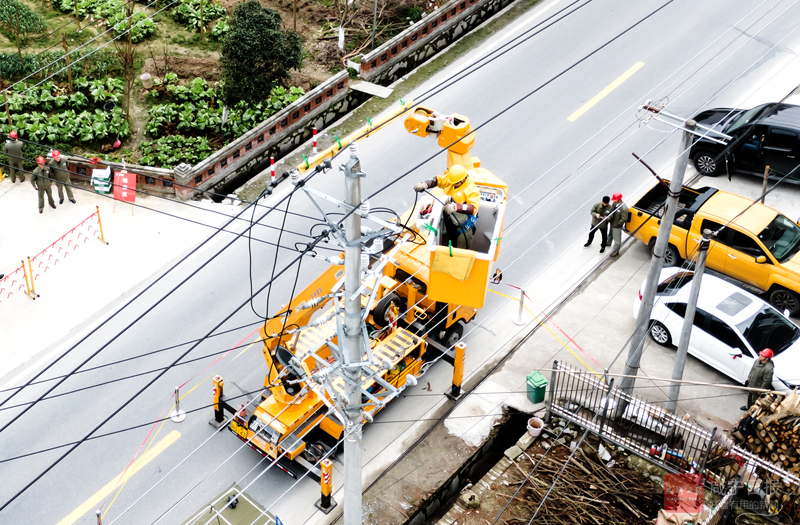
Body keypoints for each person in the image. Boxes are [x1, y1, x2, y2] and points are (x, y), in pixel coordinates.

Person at [413, 164, 480, 250]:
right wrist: (426, 184)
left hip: (463, 227)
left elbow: (473, 208)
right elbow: (438, 180)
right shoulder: (453, 180)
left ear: (463, 179)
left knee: (462, 251)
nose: (453, 184)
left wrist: (455, 207)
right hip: (451, 220)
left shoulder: (472, 190)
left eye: (456, 183)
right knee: (449, 241)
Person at [608, 192, 628, 257]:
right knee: (610, 234)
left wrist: (618, 224)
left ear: (619, 199)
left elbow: (624, 218)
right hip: (612, 223)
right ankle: (608, 243)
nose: (614, 201)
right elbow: (611, 211)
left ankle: (615, 252)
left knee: (617, 240)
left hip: (617, 226)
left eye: (615, 200)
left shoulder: (624, 208)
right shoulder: (614, 204)